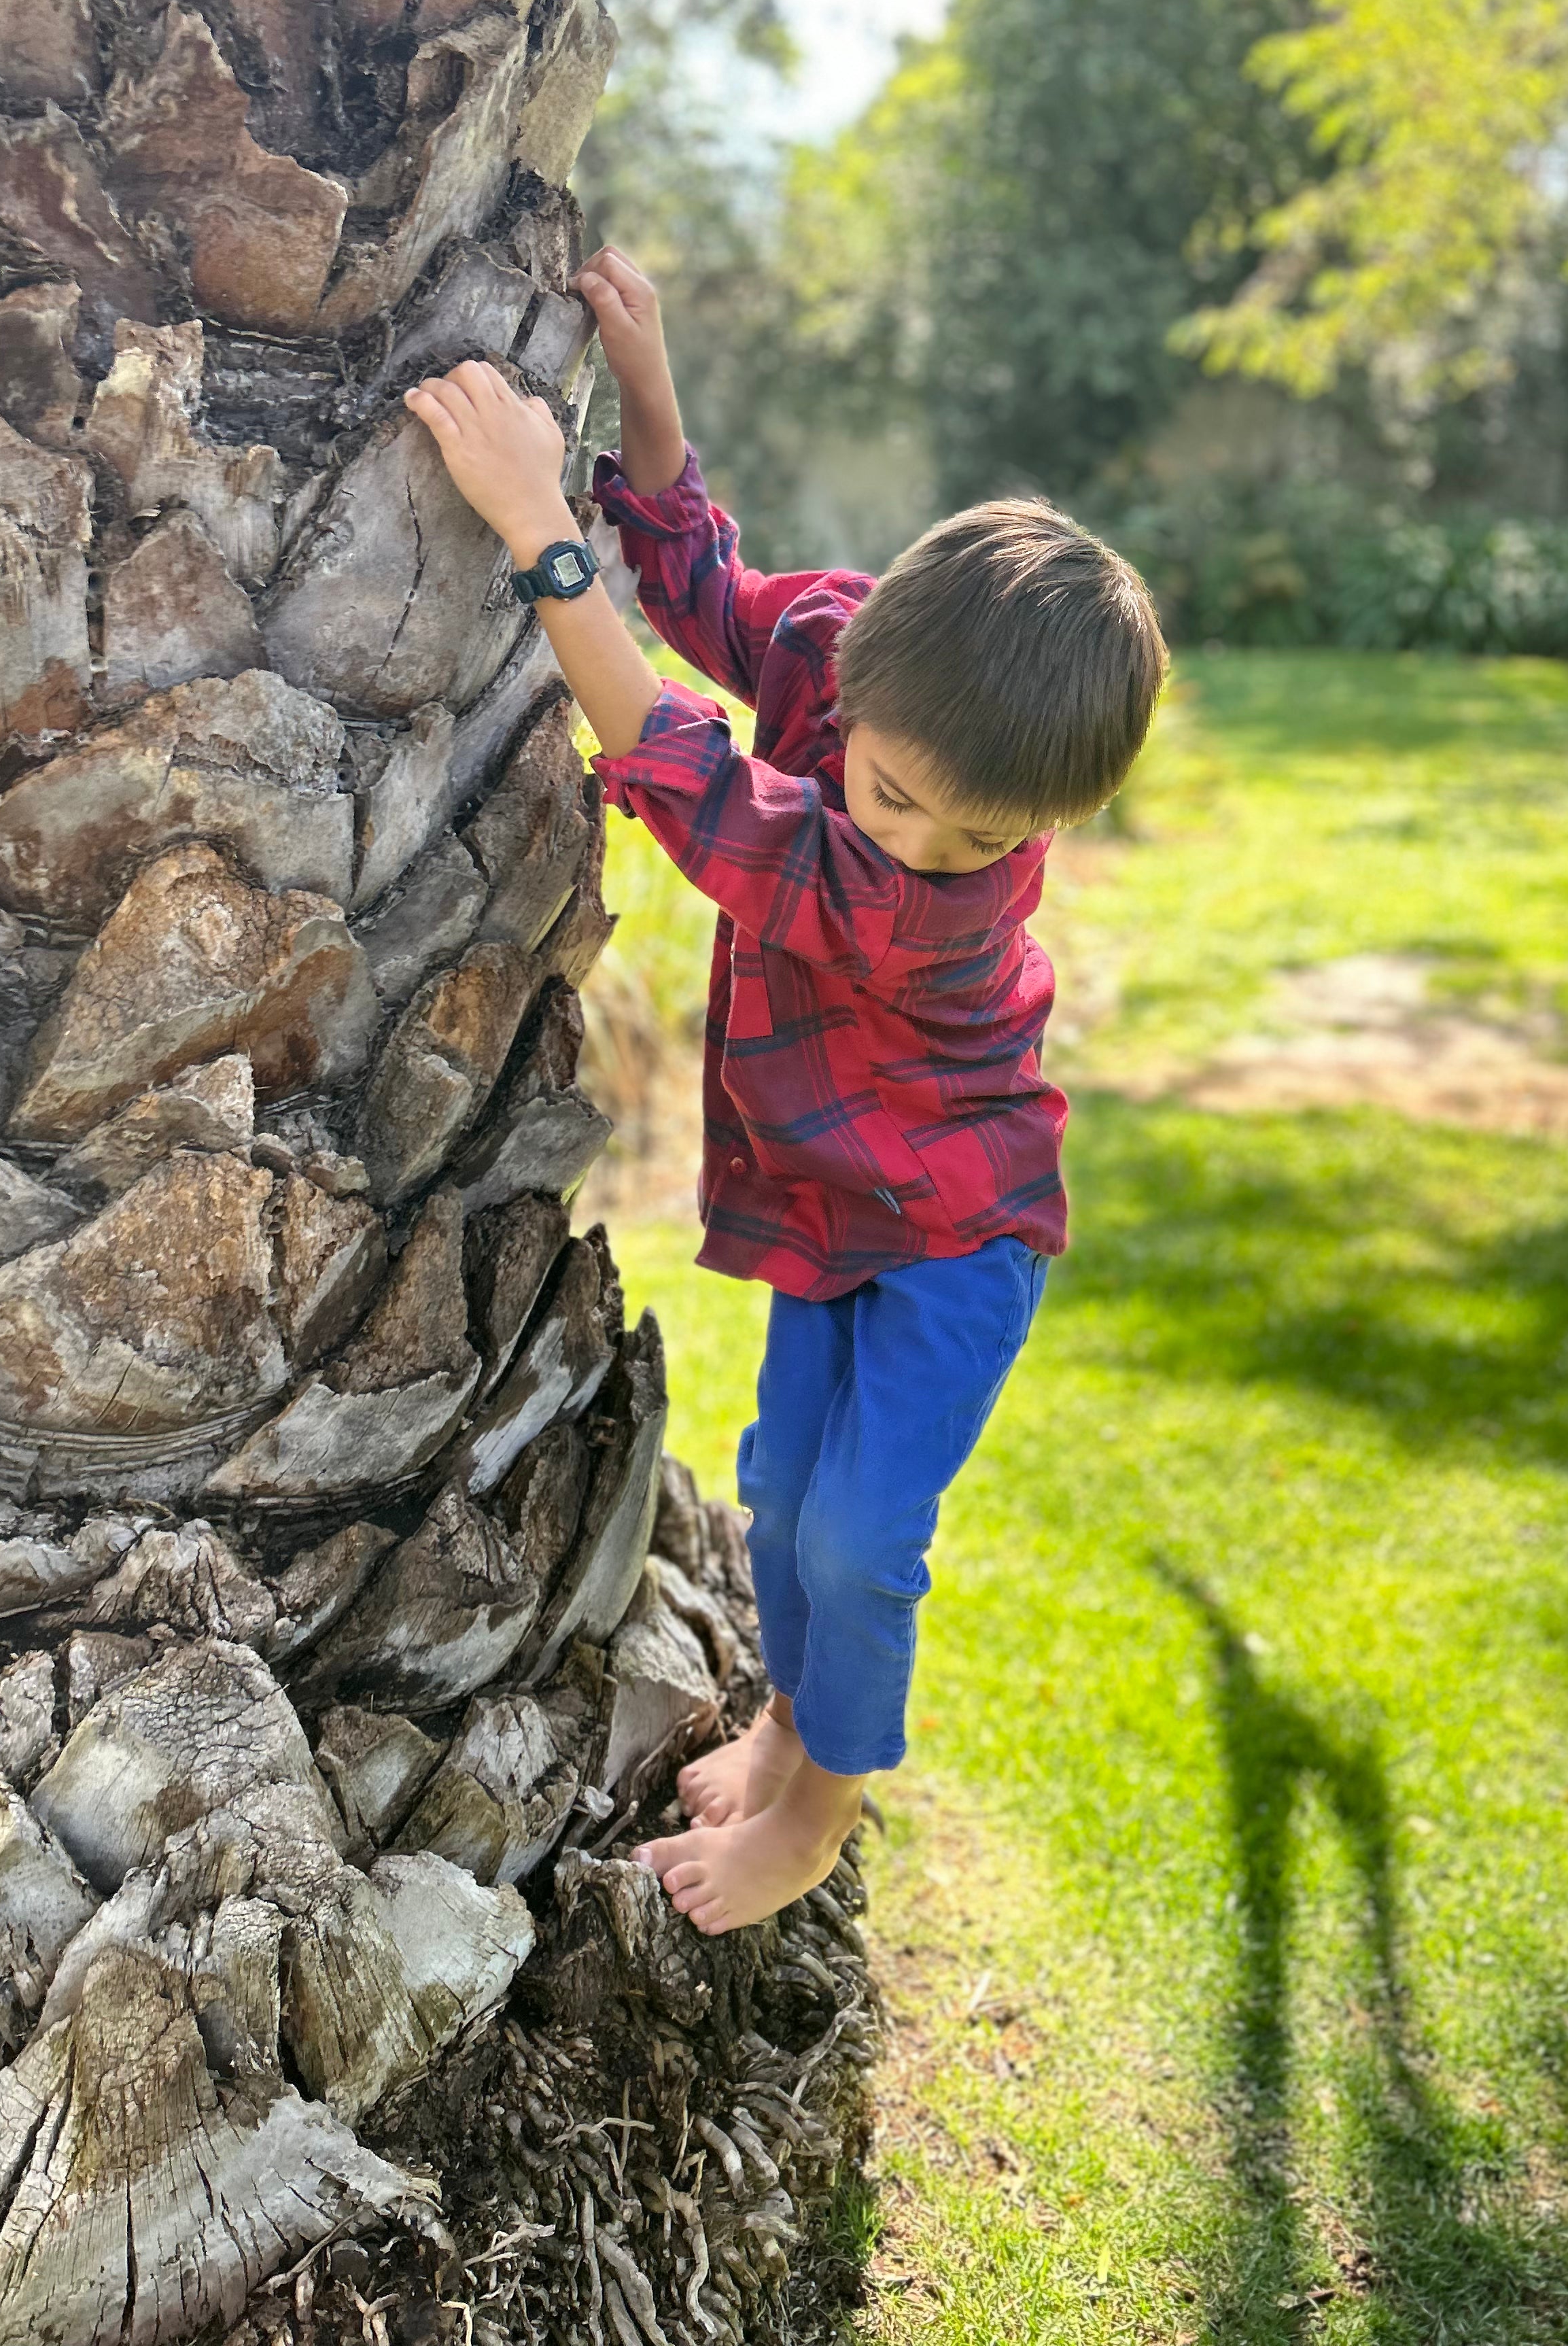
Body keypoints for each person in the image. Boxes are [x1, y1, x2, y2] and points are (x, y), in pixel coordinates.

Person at [404, 249, 1166, 1934]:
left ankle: (815, 1813)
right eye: (897, 795)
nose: (921, 841)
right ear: (870, 664)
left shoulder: (927, 901)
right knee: (779, 1492)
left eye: (984, 836)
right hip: (836, 1203)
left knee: (858, 1535)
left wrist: (539, 536)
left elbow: (697, 790)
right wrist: (645, 376)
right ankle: (782, 1737)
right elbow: (703, 582)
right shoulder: (843, 654)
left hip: (955, 1235)